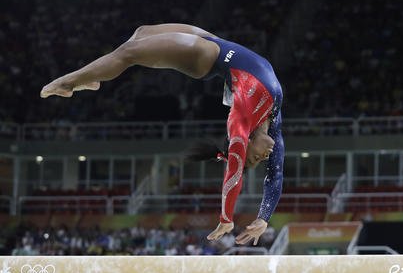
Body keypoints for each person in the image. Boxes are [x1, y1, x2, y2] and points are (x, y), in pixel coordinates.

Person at [41, 23, 284, 246]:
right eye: (258, 159)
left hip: (205, 57)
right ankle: (93, 79)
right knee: (141, 33)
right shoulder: (273, 118)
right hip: (217, 43)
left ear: (245, 141)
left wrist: (226, 217)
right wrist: (264, 218)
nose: (266, 157)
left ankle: (69, 83)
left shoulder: (240, 121)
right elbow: (275, 175)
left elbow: (234, 171)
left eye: (257, 159)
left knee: (129, 53)